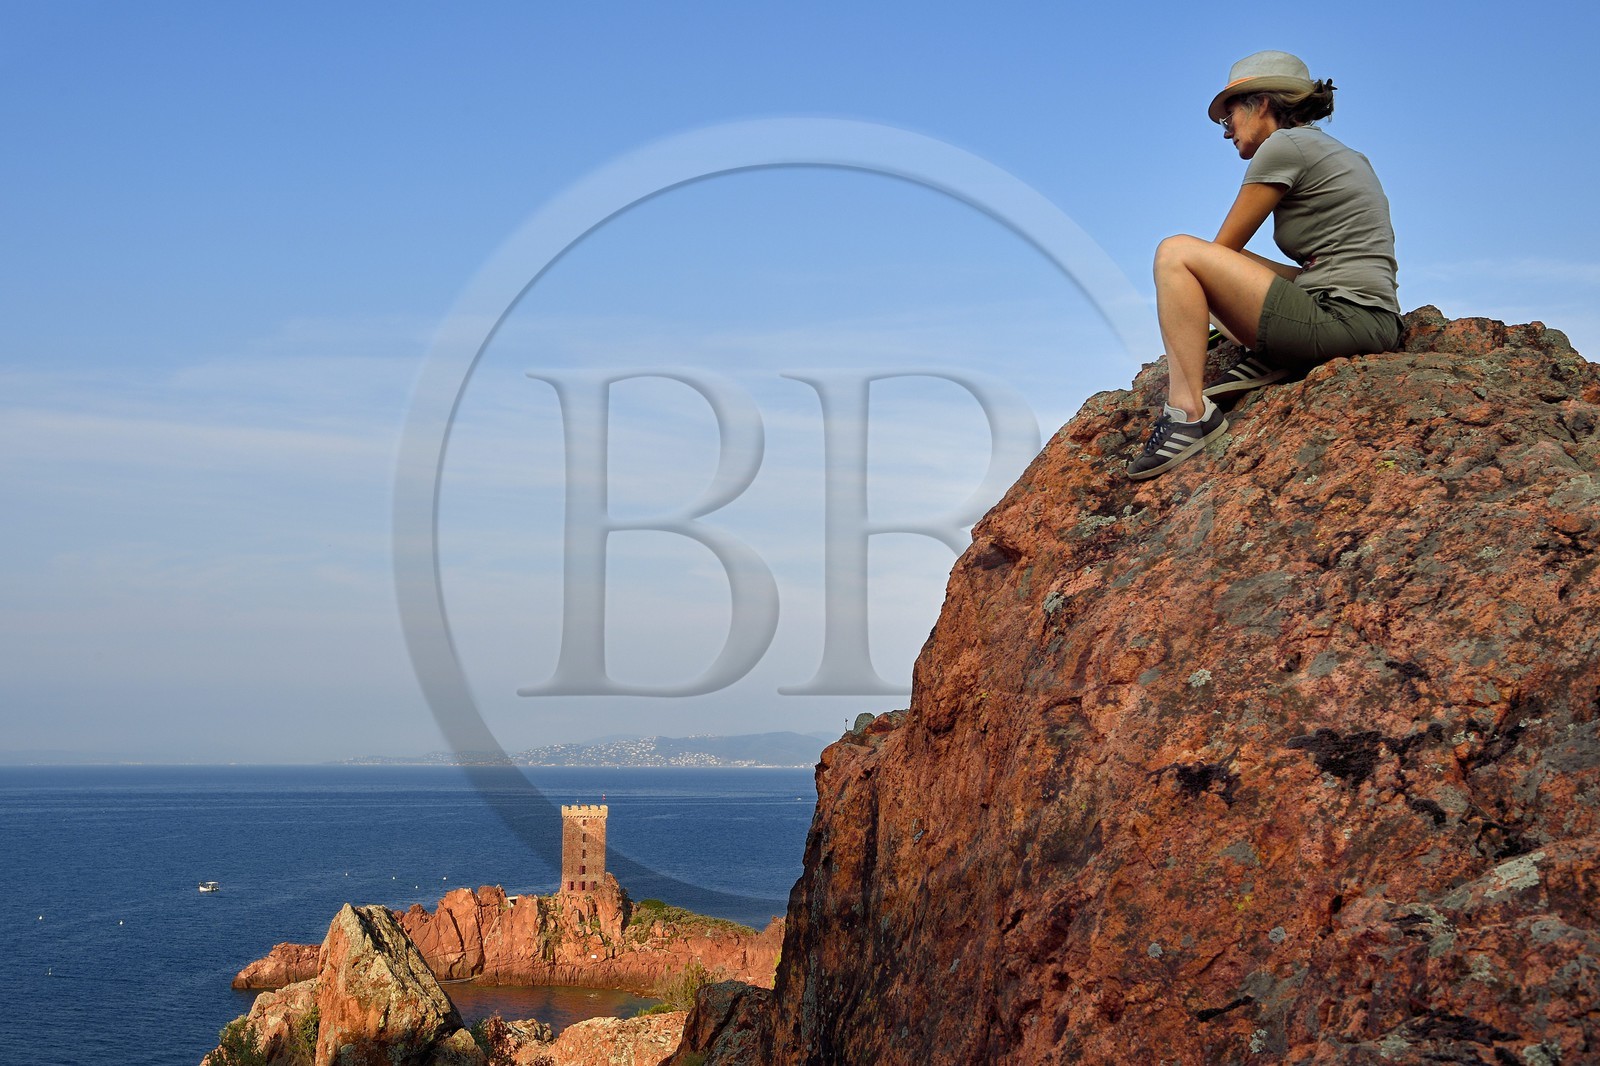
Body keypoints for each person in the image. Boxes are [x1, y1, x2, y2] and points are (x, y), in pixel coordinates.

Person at [1128, 50, 1404, 480]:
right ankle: (1276, 354)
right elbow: (1231, 261)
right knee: (1216, 262)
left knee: (1176, 253)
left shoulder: (1284, 145)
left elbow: (1220, 251)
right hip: (1368, 315)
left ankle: (1188, 413)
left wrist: (1213, 318)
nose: (1226, 131)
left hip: (1344, 319)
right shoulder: (1335, 150)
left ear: (1261, 104)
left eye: (1229, 116)